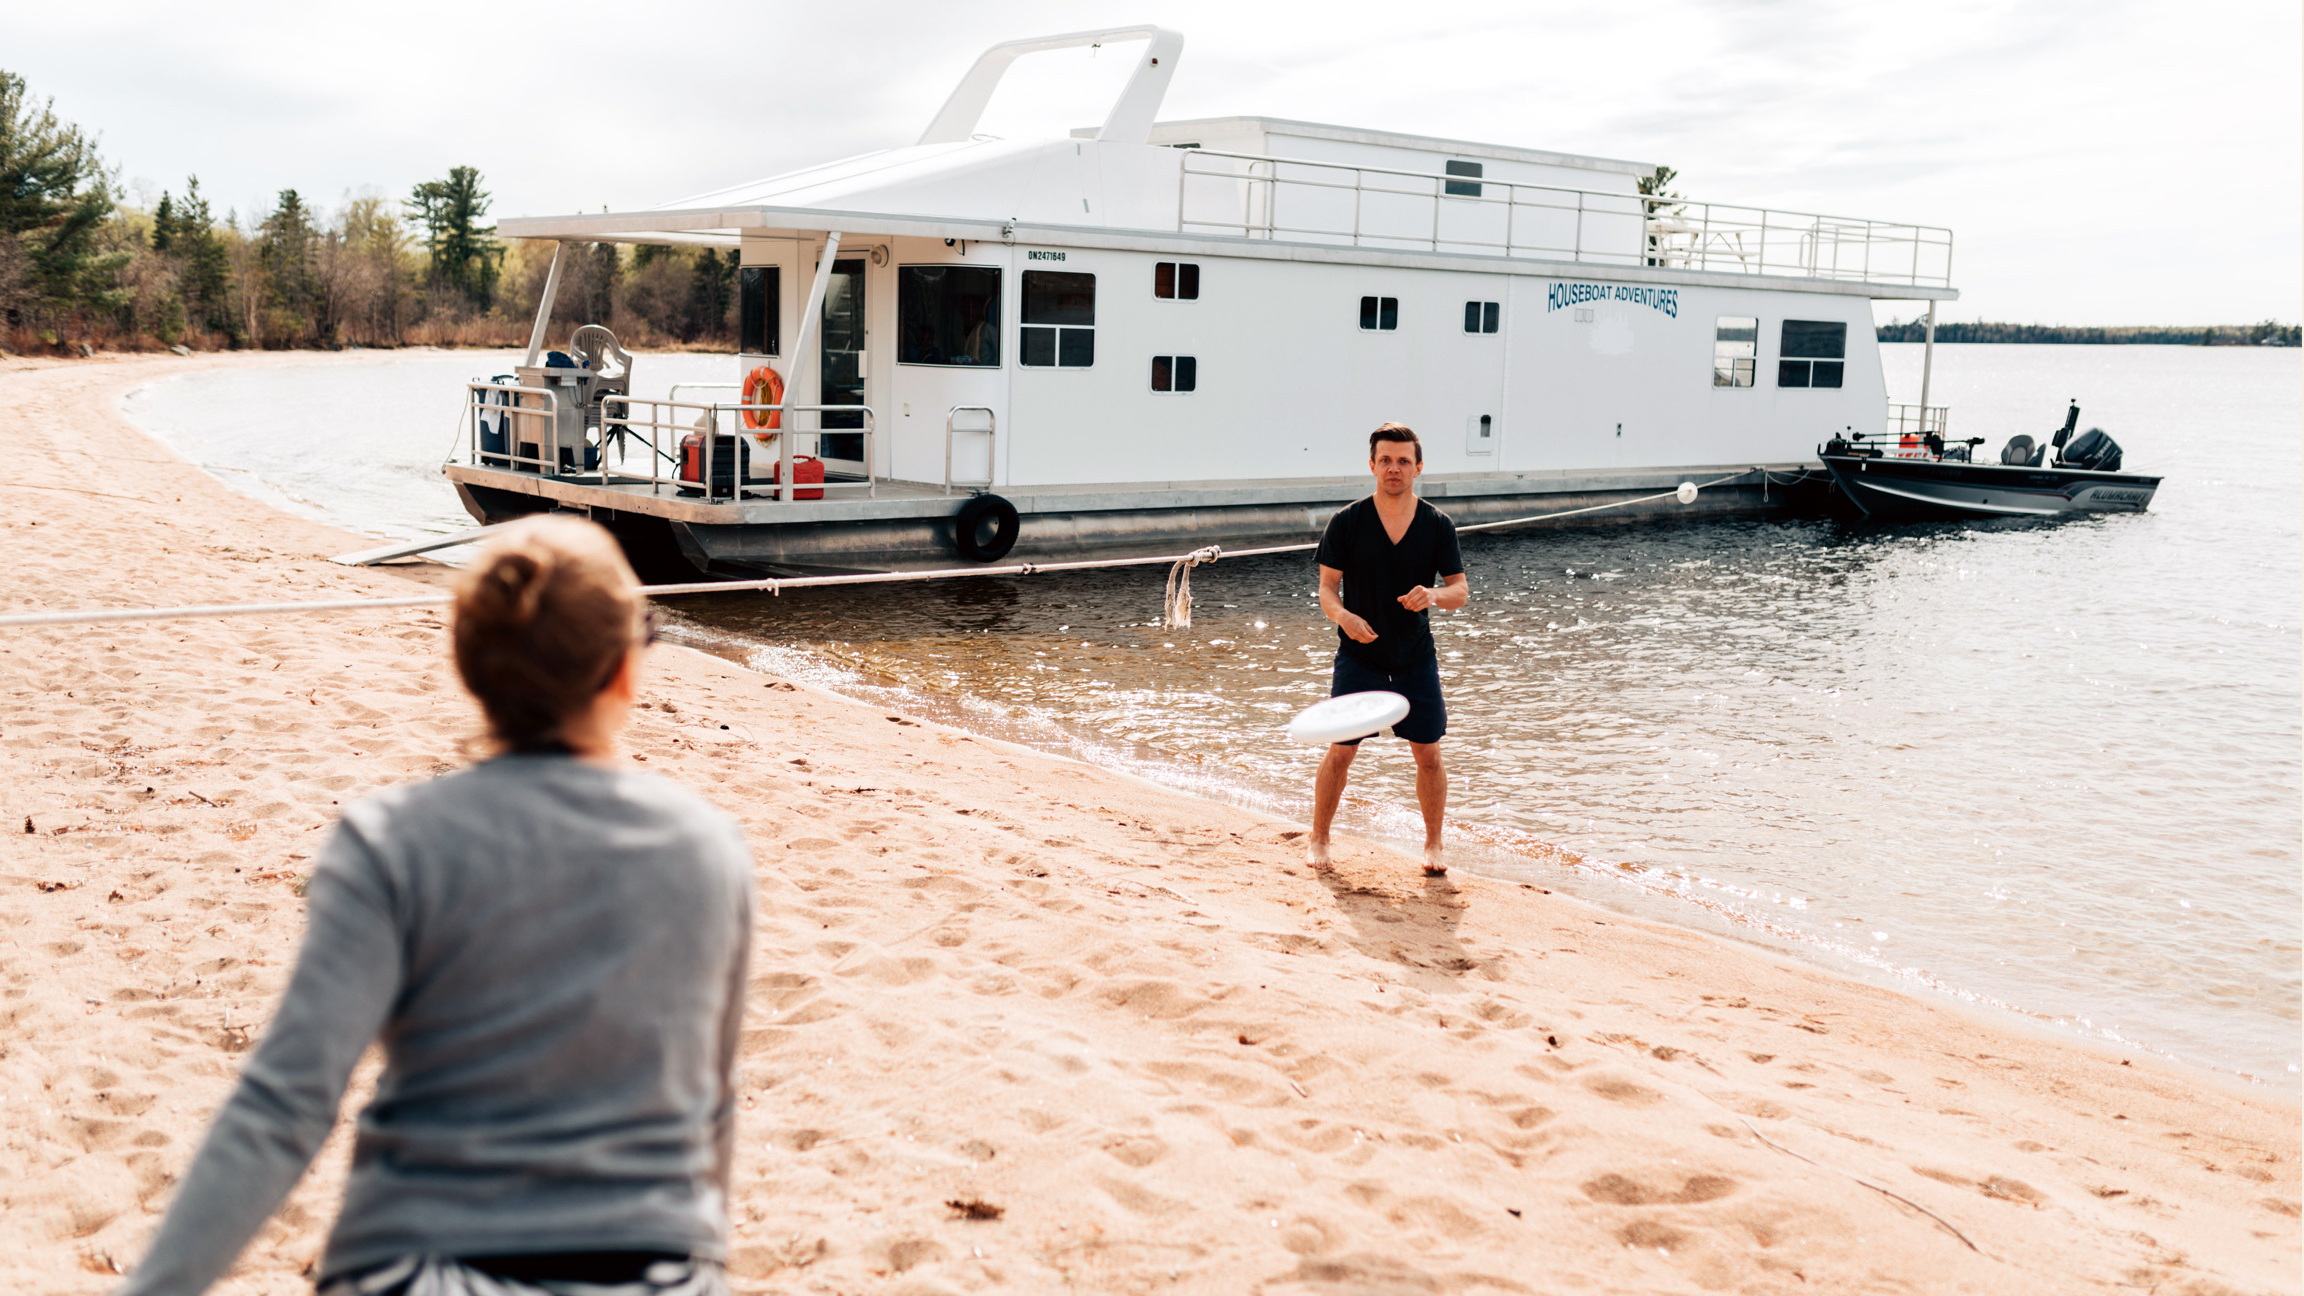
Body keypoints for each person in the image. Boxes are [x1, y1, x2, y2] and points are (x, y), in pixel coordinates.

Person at [119, 516, 754, 1296]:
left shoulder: (391, 842)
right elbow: (712, 1102)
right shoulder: (708, 850)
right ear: (624, 670)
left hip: (416, 1264)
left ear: (472, 669)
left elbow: (287, 1102)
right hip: (652, 1269)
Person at [1308, 423, 1469, 876]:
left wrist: (1433, 595)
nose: (1393, 468)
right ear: (1372, 465)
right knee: (1342, 750)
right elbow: (1327, 589)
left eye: (1402, 461)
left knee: (1428, 753)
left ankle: (1433, 845)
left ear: (1418, 467)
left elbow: (1460, 591)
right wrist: (1344, 617)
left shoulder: (1438, 525)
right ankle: (1319, 838)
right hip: (1360, 656)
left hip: (1415, 657)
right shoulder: (1347, 522)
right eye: (1385, 460)